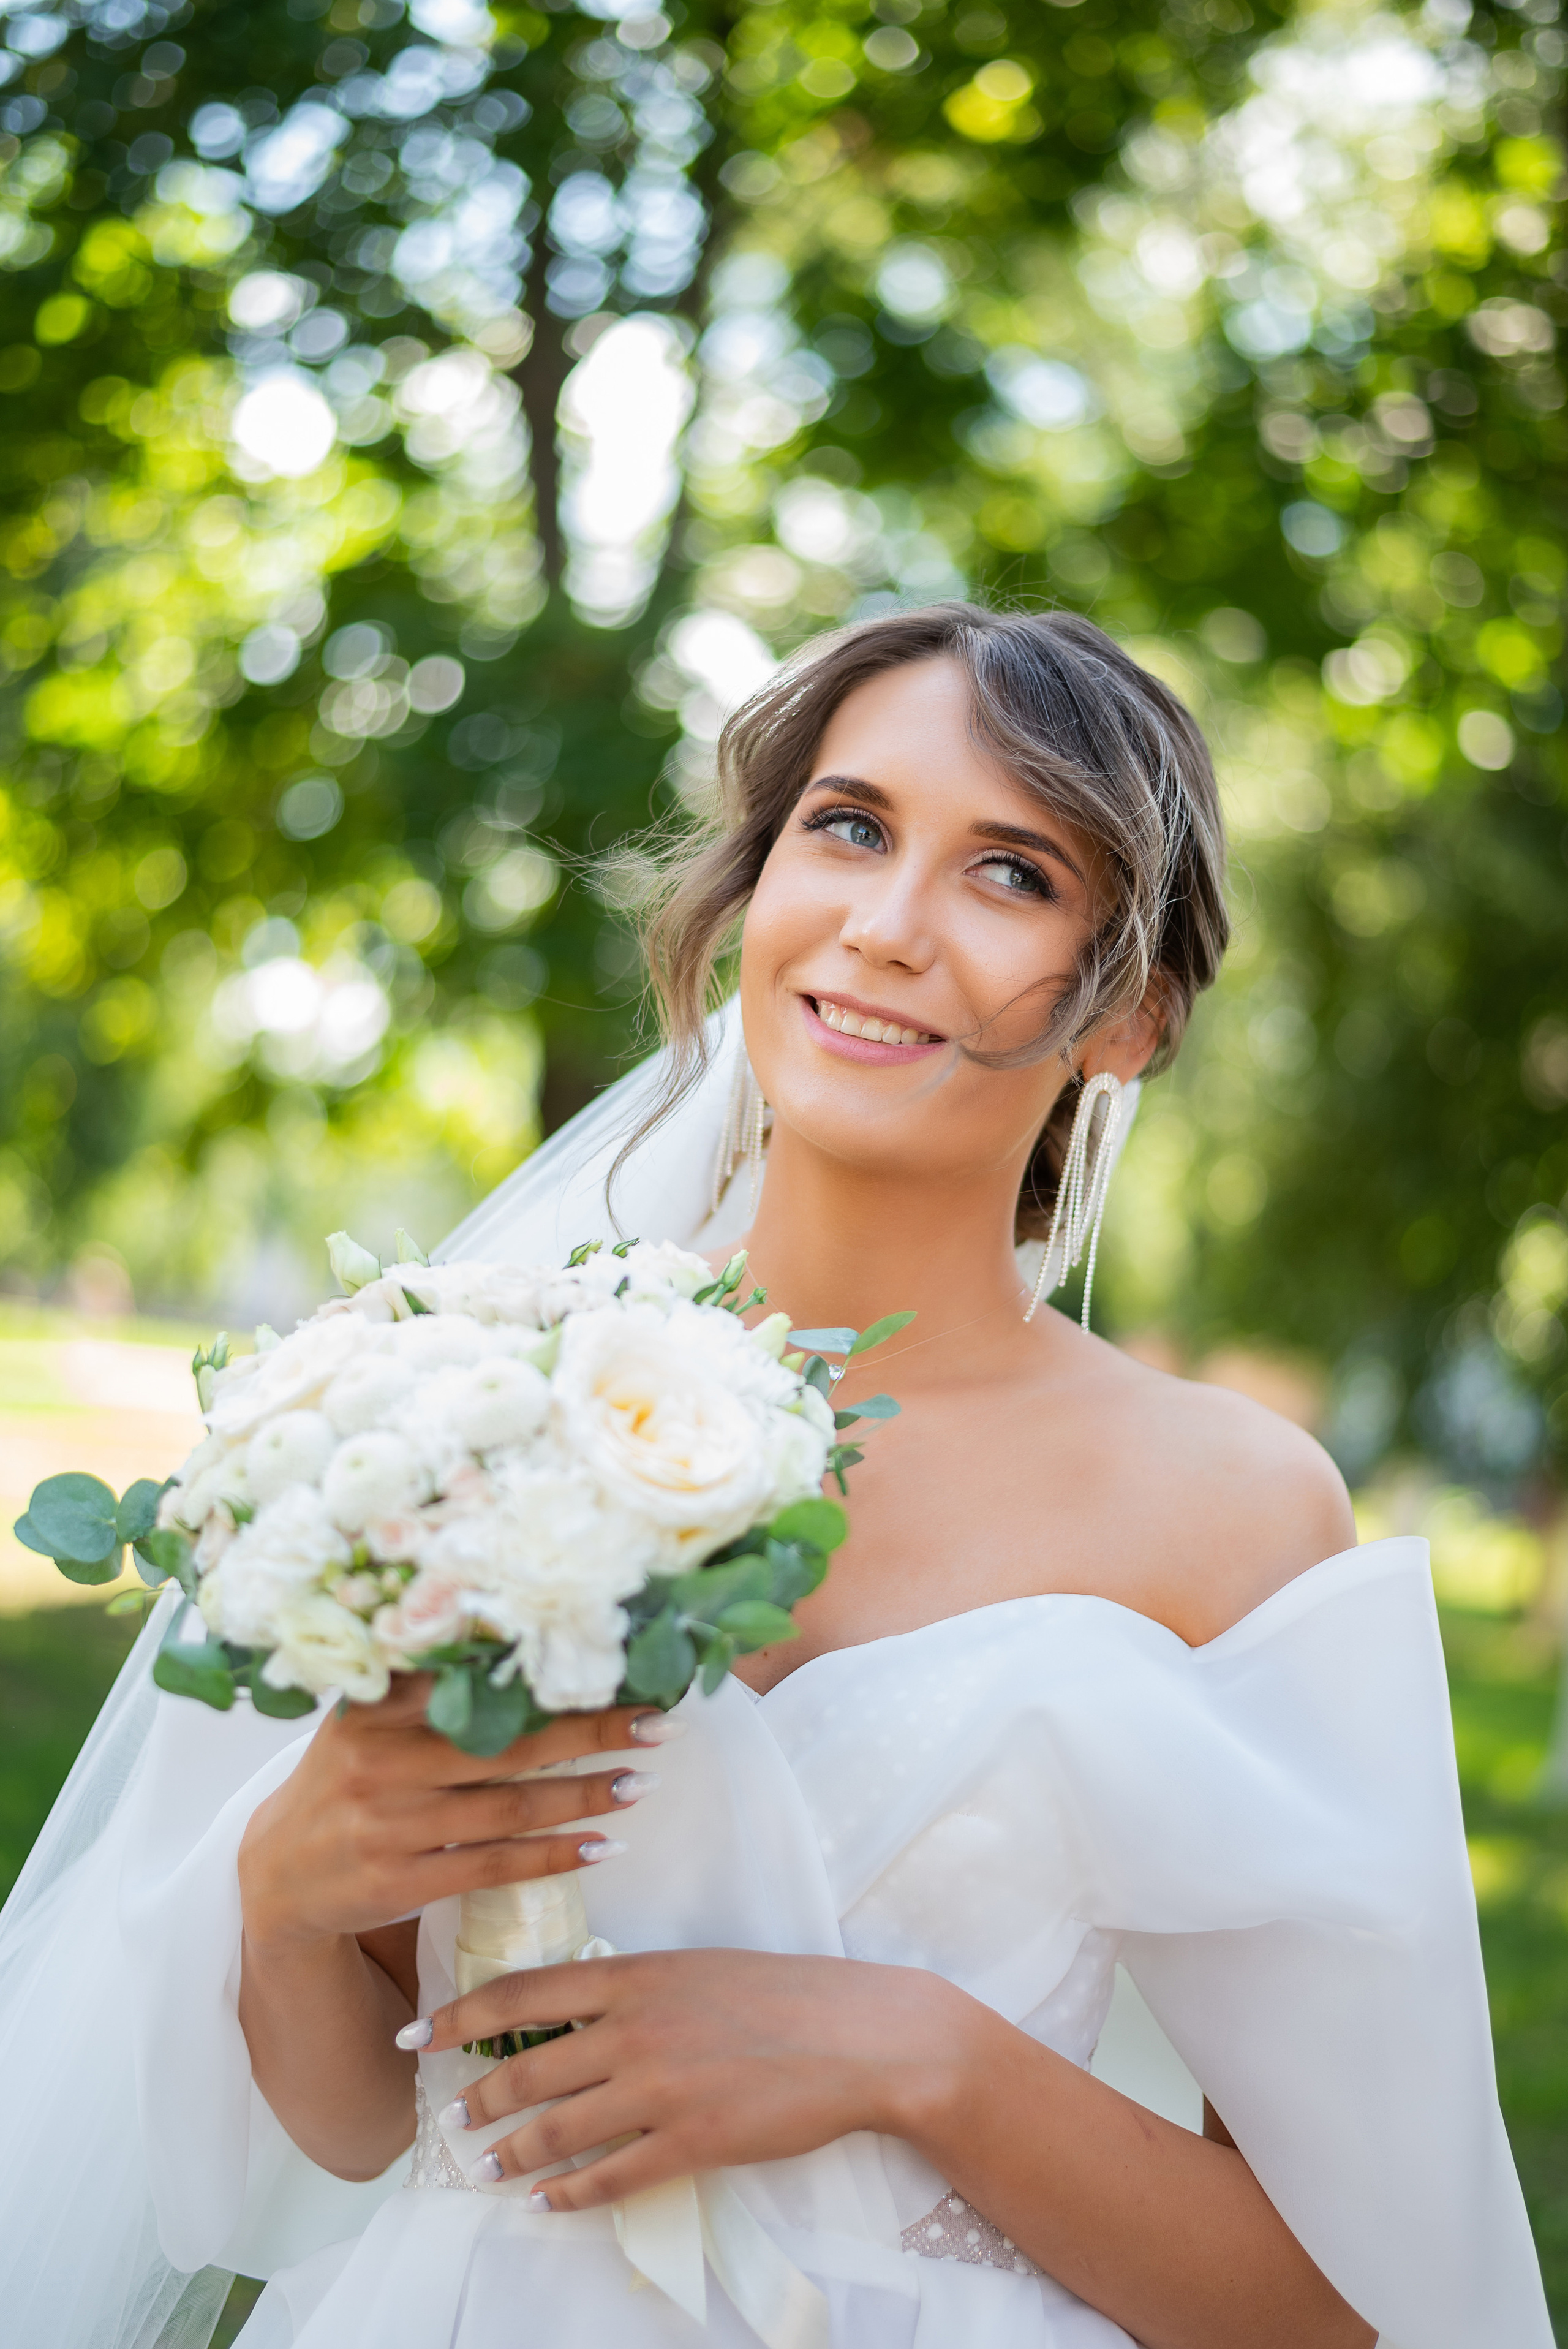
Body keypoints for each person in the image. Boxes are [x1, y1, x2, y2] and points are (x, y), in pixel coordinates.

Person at [0, 605, 1549, 2349]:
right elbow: (355, 2137)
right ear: (755, 886)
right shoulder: (462, 1400)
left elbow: (1340, 2312)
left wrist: (915, 2057)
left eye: (1013, 872)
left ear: (1131, 1016)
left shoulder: (1235, 1506)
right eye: (851, 827)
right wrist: (286, 1897)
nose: (887, 926)